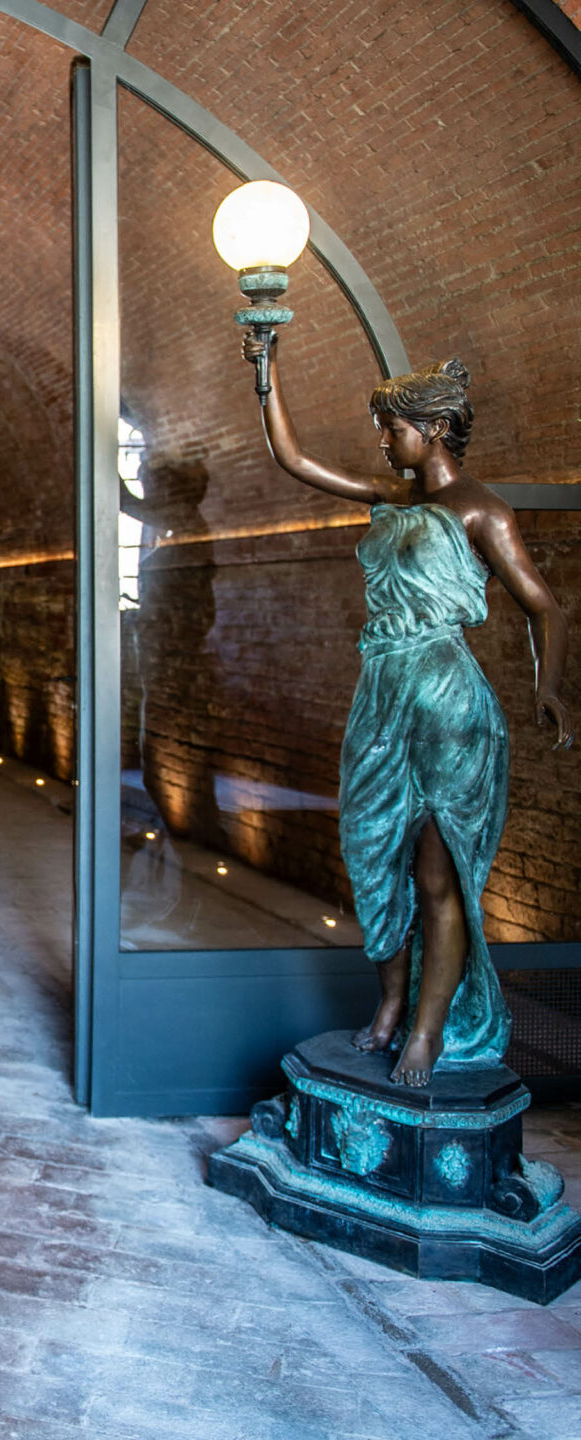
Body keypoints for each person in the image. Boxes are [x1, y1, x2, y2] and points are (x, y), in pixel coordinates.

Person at [241, 332, 571, 1086]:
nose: (385, 443)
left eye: (393, 429)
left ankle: (424, 1031)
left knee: (437, 875)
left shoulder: (484, 511)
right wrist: (268, 373)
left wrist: (547, 685)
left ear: (432, 429)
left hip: (448, 702)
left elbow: (545, 608)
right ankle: (390, 1000)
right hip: (381, 695)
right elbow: (294, 460)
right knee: (369, 856)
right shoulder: (393, 497)